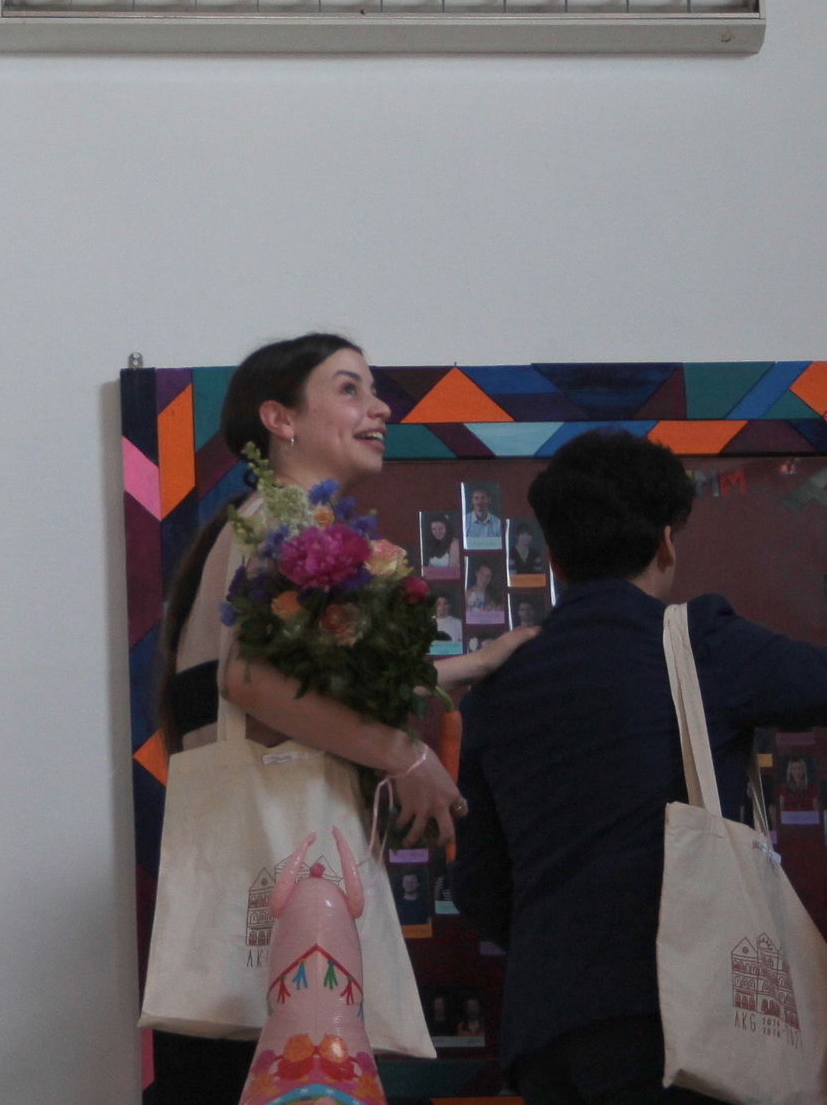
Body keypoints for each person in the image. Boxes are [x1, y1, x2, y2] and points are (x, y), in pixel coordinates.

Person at [451, 429, 827, 1105]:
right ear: (666, 542)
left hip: (546, 1031)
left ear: (553, 556)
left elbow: (477, 883)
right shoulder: (700, 645)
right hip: (679, 1018)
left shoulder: (497, 684)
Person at [150, 333, 534, 1105]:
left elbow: (296, 685)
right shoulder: (283, 518)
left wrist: (472, 664)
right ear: (280, 419)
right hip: (285, 858)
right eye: (350, 389)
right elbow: (251, 682)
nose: (379, 408)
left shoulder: (259, 519)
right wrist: (405, 754)